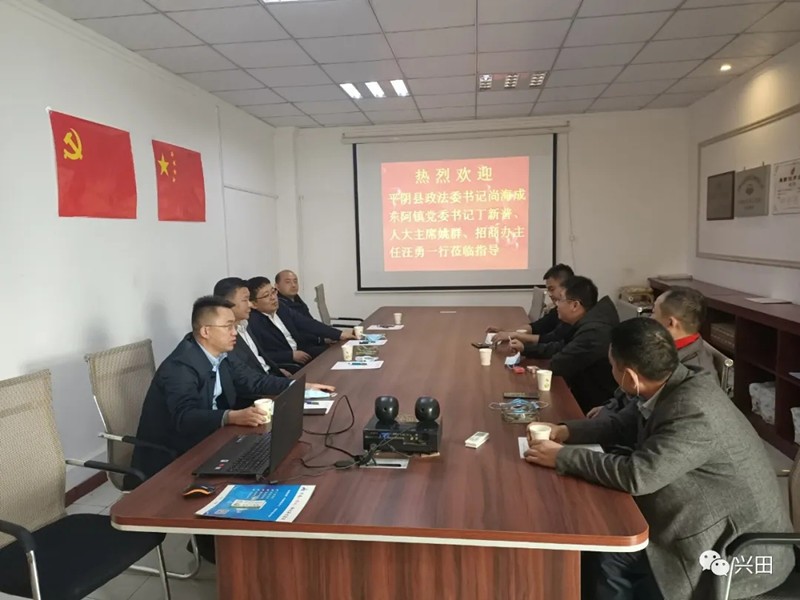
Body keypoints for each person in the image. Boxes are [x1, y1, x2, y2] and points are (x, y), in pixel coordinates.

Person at [524, 318, 794, 600]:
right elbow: (621, 424)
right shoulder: (672, 382)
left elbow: (638, 476)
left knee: (607, 553)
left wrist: (563, 457)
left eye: (612, 366)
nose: (611, 371)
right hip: (700, 518)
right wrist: (566, 431)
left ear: (629, 377)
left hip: (734, 551)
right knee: (600, 530)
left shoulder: (694, 410)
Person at [131, 296, 335, 479]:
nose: (234, 332)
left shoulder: (222, 354)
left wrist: (301, 386)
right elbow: (184, 417)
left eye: (235, 326)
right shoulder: (180, 367)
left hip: (211, 439)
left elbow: (254, 381)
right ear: (206, 331)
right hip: (174, 458)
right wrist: (231, 416)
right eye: (228, 326)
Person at [587, 286, 716, 419]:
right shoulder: (658, 345)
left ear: (670, 323)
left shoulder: (695, 373)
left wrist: (611, 416)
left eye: (653, 313)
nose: (649, 318)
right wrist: (612, 406)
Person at [511, 276, 618, 412]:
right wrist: (525, 348)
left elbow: (559, 364)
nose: (556, 305)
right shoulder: (586, 322)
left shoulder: (594, 332)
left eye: (560, 300)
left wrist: (535, 371)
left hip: (594, 405)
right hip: (583, 394)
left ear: (575, 305)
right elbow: (562, 347)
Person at [247, 276, 354, 369]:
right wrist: (290, 355)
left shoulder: (281, 308)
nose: (273, 298)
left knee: (337, 353)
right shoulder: (253, 323)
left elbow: (307, 323)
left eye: (273, 292)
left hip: (302, 350)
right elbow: (259, 355)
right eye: (266, 295)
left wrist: (339, 334)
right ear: (253, 304)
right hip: (287, 363)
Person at [213, 277, 292, 383]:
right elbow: (246, 380)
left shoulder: (245, 324)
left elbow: (261, 359)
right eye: (245, 300)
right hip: (259, 387)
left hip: (271, 377)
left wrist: (278, 371)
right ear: (226, 303)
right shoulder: (224, 338)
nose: (250, 304)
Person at [488, 263, 574, 346]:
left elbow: (551, 339)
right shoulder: (557, 310)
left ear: (567, 287)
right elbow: (535, 327)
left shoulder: (573, 314)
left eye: (552, 289)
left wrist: (516, 335)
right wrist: (507, 332)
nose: (549, 294)